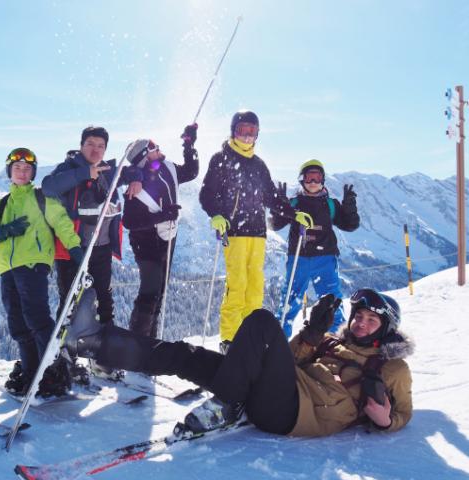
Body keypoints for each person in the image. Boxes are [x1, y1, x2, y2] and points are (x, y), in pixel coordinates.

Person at [66, 287, 413, 438]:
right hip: (275, 391)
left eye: (372, 320)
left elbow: (404, 414)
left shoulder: (391, 367)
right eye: (359, 316)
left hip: (294, 413)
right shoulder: (332, 341)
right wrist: (312, 333)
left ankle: (227, 404)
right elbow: (289, 360)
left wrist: (386, 421)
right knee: (187, 356)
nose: (361, 323)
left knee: (263, 320)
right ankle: (95, 341)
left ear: (385, 330)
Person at [199, 110, 312, 353]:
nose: (247, 136)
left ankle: (250, 337)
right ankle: (229, 339)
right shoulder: (221, 159)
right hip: (235, 232)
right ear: (233, 131)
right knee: (237, 284)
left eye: (252, 132)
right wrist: (216, 215)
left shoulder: (259, 165)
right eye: (243, 130)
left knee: (255, 287)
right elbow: (207, 193)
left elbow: (272, 197)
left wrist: (293, 214)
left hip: (258, 233)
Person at [0, 148, 84, 396]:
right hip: (7, 269)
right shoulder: (2, 204)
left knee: (37, 318)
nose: (22, 172)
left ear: (33, 173)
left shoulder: (41, 198)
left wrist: (76, 250)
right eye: (17, 168)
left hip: (34, 264)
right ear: (10, 172)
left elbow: (62, 223)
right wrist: (2, 232)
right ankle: (30, 372)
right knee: (18, 324)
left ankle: (52, 374)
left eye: (27, 169)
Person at [41, 127, 141, 377]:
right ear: (81, 145)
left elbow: (135, 171)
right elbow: (48, 187)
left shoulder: (110, 171)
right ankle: (62, 357)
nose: (95, 150)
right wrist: (85, 173)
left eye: (100, 146)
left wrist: (137, 176)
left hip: (102, 248)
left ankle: (103, 357)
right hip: (73, 249)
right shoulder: (68, 168)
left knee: (104, 301)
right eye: (90, 144)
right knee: (71, 301)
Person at [121, 123, 199, 338]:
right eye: (154, 146)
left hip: (168, 236)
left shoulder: (168, 167)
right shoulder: (137, 182)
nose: (159, 147)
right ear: (146, 155)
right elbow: (129, 221)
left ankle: (149, 342)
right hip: (145, 240)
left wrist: (189, 145)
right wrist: (163, 215)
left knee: (159, 290)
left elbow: (191, 171)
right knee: (150, 290)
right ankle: (137, 346)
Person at [271, 160, 360, 337]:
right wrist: (279, 207)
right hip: (299, 259)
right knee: (289, 300)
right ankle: (279, 343)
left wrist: (349, 208)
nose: (313, 182)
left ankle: (336, 341)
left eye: (317, 177)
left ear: (323, 180)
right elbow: (275, 225)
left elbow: (350, 225)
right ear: (302, 180)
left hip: (325, 258)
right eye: (309, 177)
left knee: (331, 302)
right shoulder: (294, 203)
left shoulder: (330, 204)